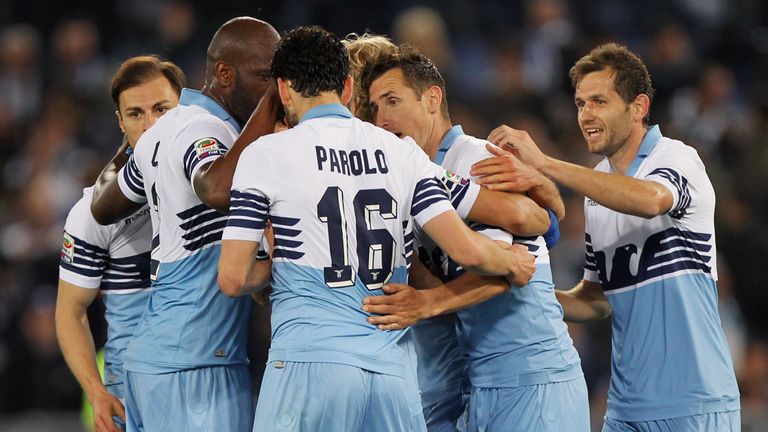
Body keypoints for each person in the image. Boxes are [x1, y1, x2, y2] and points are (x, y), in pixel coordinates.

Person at [217, 25, 535, 432]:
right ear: (349, 88)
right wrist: (511, 259)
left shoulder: (265, 154)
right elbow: (468, 251)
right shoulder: (400, 151)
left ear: (283, 89)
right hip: (391, 373)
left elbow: (232, 278)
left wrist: (276, 264)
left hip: (309, 364)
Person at [473, 42, 741, 431]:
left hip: (695, 403)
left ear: (639, 107)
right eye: (581, 104)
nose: (586, 114)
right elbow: (596, 299)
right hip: (624, 410)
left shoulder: (677, 158)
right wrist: (528, 290)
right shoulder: (597, 197)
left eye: (599, 101)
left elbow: (651, 200)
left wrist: (545, 163)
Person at [360, 46, 589, 432]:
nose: (382, 119)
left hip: (531, 378)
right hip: (484, 383)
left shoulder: (476, 160)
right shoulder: (416, 174)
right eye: (375, 107)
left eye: (393, 101)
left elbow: (510, 267)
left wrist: (425, 303)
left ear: (432, 98)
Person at [89, 17, 281, 432]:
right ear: (226, 73)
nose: (277, 89)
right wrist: (270, 107)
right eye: (268, 76)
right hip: (193, 366)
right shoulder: (203, 129)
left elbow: (103, 205)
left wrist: (137, 147)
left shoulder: (166, 129)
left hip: (165, 359)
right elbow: (214, 187)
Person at [56, 55, 185, 432]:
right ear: (120, 122)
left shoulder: (214, 189)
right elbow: (70, 312)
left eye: (162, 109)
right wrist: (96, 392)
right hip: (132, 396)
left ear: (185, 110)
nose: (151, 126)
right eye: (136, 114)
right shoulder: (91, 212)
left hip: (213, 379)